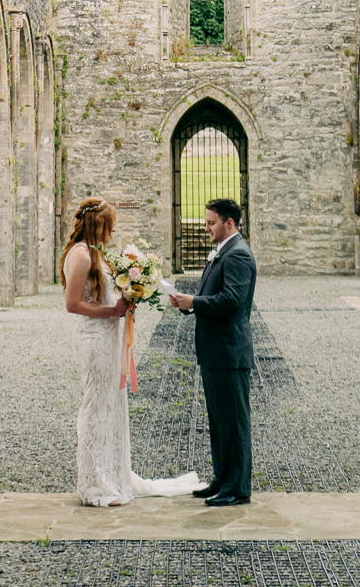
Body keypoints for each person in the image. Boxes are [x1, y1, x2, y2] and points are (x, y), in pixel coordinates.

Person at [62, 197, 201, 507]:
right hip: (95, 339)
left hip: (107, 337)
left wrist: (129, 294)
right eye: (109, 226)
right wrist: (112, 312)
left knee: (112, 404)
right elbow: (72, 304)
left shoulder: (94, 253)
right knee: (97, 405)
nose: (111, 233)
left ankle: (112, 473)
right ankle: (95, 483)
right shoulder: (81, 256)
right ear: (98, 224)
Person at [166, 198, 255, 506]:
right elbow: (211, 293)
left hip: (230, 351)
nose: (206, 228)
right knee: (218, 421)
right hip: (215, 350)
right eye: (206, 222)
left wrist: (195, 302)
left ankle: (237, 488)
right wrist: (188, 304)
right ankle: (221, 479)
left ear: (229, 223)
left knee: (234, 423)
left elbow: (232, 300)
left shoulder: (238, 254)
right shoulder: (223, 251)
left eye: (211, 223)